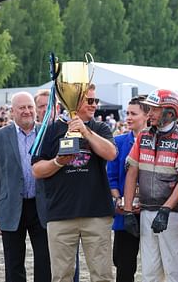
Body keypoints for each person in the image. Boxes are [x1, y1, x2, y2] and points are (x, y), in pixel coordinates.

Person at [32, 85, 117, 282]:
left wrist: (85, 132)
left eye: (96, 101)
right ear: (73, 101)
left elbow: (111, 153)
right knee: (61, 276)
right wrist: (57, 162)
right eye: (90, 101)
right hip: (60, 213)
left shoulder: (100, 128)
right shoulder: (51, 129)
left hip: (96, 213)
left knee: (102, 275)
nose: (94, 105)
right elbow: (36, 169)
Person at [122, 89, 178, 282]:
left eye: (154, 109)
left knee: (174, 271)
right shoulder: (143, 136)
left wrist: (166, 209)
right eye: (148, 108)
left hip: (173, 216)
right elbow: (131, 173)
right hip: (146, 212)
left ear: (170, 113)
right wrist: (129, 211)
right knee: (149, 273)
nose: (149, 113)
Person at [0, 91, 51, 282]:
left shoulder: (47, 133)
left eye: (30, 106)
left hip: (42, 208)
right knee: (13, 265)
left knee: (45, 262)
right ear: (12, 111)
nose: (27, 111)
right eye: (22, 107)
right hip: (11, 207)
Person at [33, 89, 80, 282]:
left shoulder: (69, 128)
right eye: (41, 106)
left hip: (64, 205)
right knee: (43, 260)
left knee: (69, 260)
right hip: (32, 205)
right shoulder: (38, 134)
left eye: (49, 105)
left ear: (58, 107)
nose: (45, 110)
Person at [107, 96, 149, 282]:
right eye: (127, 113)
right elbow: (112, 178)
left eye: (133, 113)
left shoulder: (160, 142)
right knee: (123, 264)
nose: (128, 117)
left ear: (147, 115)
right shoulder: (119, 142)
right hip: (125, 213)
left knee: (154, 264)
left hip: (152, 212)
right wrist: (119, 200)